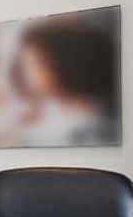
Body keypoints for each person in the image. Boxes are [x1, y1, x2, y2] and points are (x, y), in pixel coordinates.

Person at [10, 18, 120, 146]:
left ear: (64, 62)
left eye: (36, 63)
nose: (27, 74)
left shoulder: (97, 125)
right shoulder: (39, 115)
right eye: (25, 65)